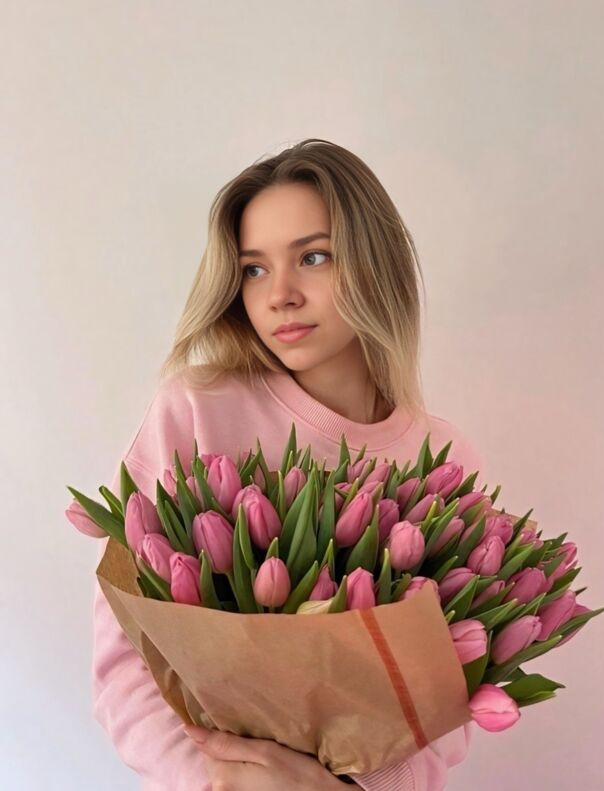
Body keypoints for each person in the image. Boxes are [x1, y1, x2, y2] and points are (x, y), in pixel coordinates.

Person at [83, 138, 487, 790]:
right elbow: (125, 658)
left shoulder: (441, 459)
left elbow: (452, 694)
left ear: (375, 262)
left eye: (314, 257)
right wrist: (218, 779)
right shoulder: (195, 409)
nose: (280, 295)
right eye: (254, 269)